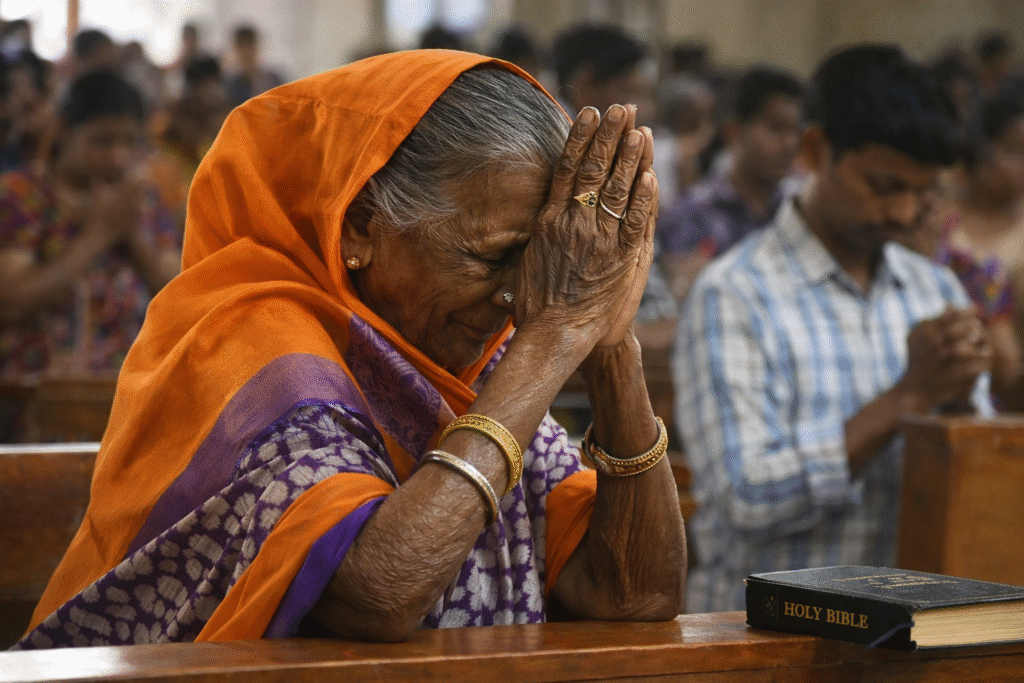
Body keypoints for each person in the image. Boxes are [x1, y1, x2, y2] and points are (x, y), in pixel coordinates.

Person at [16, 50, 686, 648]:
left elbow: (636, 593)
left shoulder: (478, 355)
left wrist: (606, 336)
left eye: (541, 264)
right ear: (362, 226)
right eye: (494, 259)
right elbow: (377, 590)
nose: (524, 299)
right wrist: (553, 340)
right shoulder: (250, 346)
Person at [673, 45, 994, 613]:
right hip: (769, 640)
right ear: (816, 150)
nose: (903, 213)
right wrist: (908, 397)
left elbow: (977, 475)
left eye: (922, 192)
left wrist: (962, 398)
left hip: (909, 631)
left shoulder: (933, 290)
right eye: (884, 185)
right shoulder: (735, 294)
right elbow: (744, 497)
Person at [0, 69, 179, 378]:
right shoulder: (21, 197)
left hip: (124, 403)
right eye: (102, 142)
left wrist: (133, 235)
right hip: (33, 406)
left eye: (128, 142)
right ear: (64, 131)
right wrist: (98, 236)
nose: (117, 157)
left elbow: (180, 298)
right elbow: (10, 302)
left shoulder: (142, 200)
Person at [659, 66, 803, 301]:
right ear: (734, 131)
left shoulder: (799, 211)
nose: (790, 144)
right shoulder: (690, 215)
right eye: (776, 129)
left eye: (796, 131)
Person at [223, 24, 284, 107]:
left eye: (249, 44)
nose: (246, 50)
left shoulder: (273, 79)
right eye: (242, 45)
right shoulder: (229, 85)